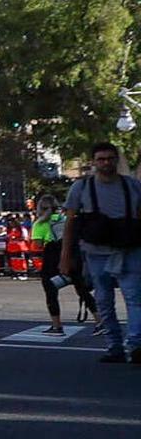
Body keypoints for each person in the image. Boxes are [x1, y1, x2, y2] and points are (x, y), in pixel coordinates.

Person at [60, 142, 141, 363]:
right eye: (101, 159)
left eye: (110, 158)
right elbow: (70, 223)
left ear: (117, 160)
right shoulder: (82, 187)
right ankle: (114, 346)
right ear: (94, 162)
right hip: (95, 252)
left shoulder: (132, 186)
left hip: (128, 249)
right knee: (104, 300)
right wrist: (65, 256)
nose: (106, 163)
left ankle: (136, 345)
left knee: (134, 298)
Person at [30, 193, 93, 333]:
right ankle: (100, 320)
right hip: (71, 256)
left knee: (50, 291)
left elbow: (37, 244)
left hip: (51, 256)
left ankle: (57, 324)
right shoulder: (65, 219)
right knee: (82, 290)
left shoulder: (40, 223)